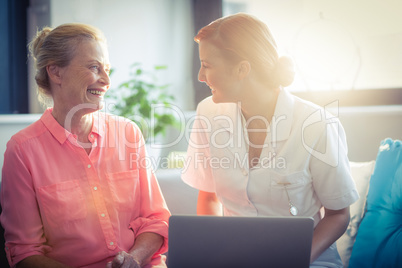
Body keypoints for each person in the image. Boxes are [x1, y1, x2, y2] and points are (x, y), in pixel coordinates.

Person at [182, 13, 359, 267]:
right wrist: (215, 250)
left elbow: (338, 214)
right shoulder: (208, 112)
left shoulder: (317, 124)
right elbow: (209, 196)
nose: (200, 76)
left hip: (307, 259)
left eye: (207, 65)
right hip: (235, 257)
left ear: (242, 69)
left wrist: (294, 259)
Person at [0, 23, 170, 268]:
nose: (107, 80)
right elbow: (25, 253)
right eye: (94, 67)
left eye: (107, 69)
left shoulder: (128, 133)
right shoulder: (22, 150)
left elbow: (156, 219)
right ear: (56, 73)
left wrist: (134, 258)